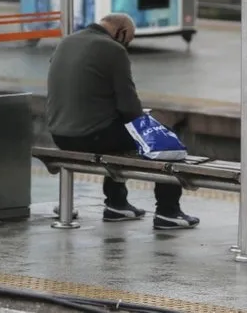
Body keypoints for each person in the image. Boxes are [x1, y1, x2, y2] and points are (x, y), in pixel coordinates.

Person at [45, 13, 199, 230]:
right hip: (91, 136)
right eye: (130, 39)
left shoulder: (67, 41)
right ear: (121, 32)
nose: (128, 44)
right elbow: (129, 106)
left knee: (118, 135)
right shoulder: (113, 50)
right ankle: (168, 212)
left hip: (59, 134)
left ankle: (117, 205)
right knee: (167, 139)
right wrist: (150, 125)